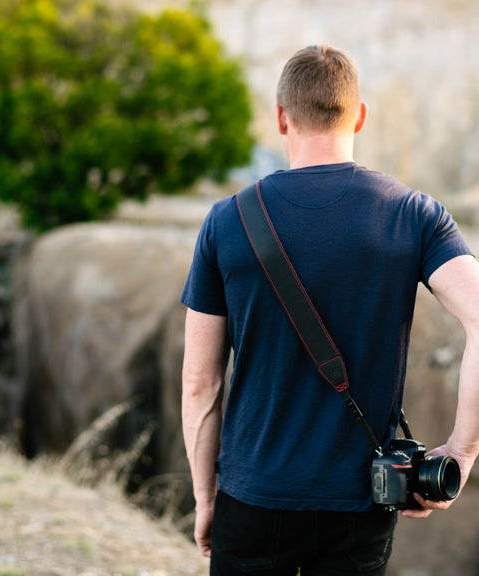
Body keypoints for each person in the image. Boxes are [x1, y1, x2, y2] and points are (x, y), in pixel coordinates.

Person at [180, 44, 479, 575]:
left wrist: (207, 499)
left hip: (251, 499)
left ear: (280, 117)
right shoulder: (414, 214)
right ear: (359, 116)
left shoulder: (226, 222)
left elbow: (201, 384)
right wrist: (460, 451)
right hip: (360, 501)